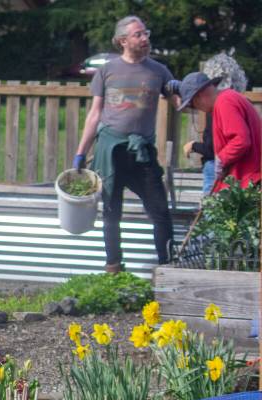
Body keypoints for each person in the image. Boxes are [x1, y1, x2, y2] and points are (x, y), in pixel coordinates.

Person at [72, 16, 181, 273]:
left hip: (142, 152)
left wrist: (181, 89)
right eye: (138, 35)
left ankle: (168, 269)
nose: (145, 39)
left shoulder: (159, 71)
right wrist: (80, 153)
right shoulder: (107, 71)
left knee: (160, 211)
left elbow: (180, 106)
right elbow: (95, 113)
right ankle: (113, 268)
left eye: (146, 33)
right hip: (111, 152)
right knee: (111, 213)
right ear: (123, 40)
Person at [176, 71, 262, 191]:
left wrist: (221, 159)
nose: (195, 107)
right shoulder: (228, 99)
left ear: (199, 96)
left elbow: (241, 140)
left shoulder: (225, 102)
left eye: (192, 104)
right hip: (247, 179)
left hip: (248, 179)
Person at [183, 112, 216, 196]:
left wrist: (193, 146)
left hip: (215, 165)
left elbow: (212, 149)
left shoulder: (216, 109)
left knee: (210, 205)